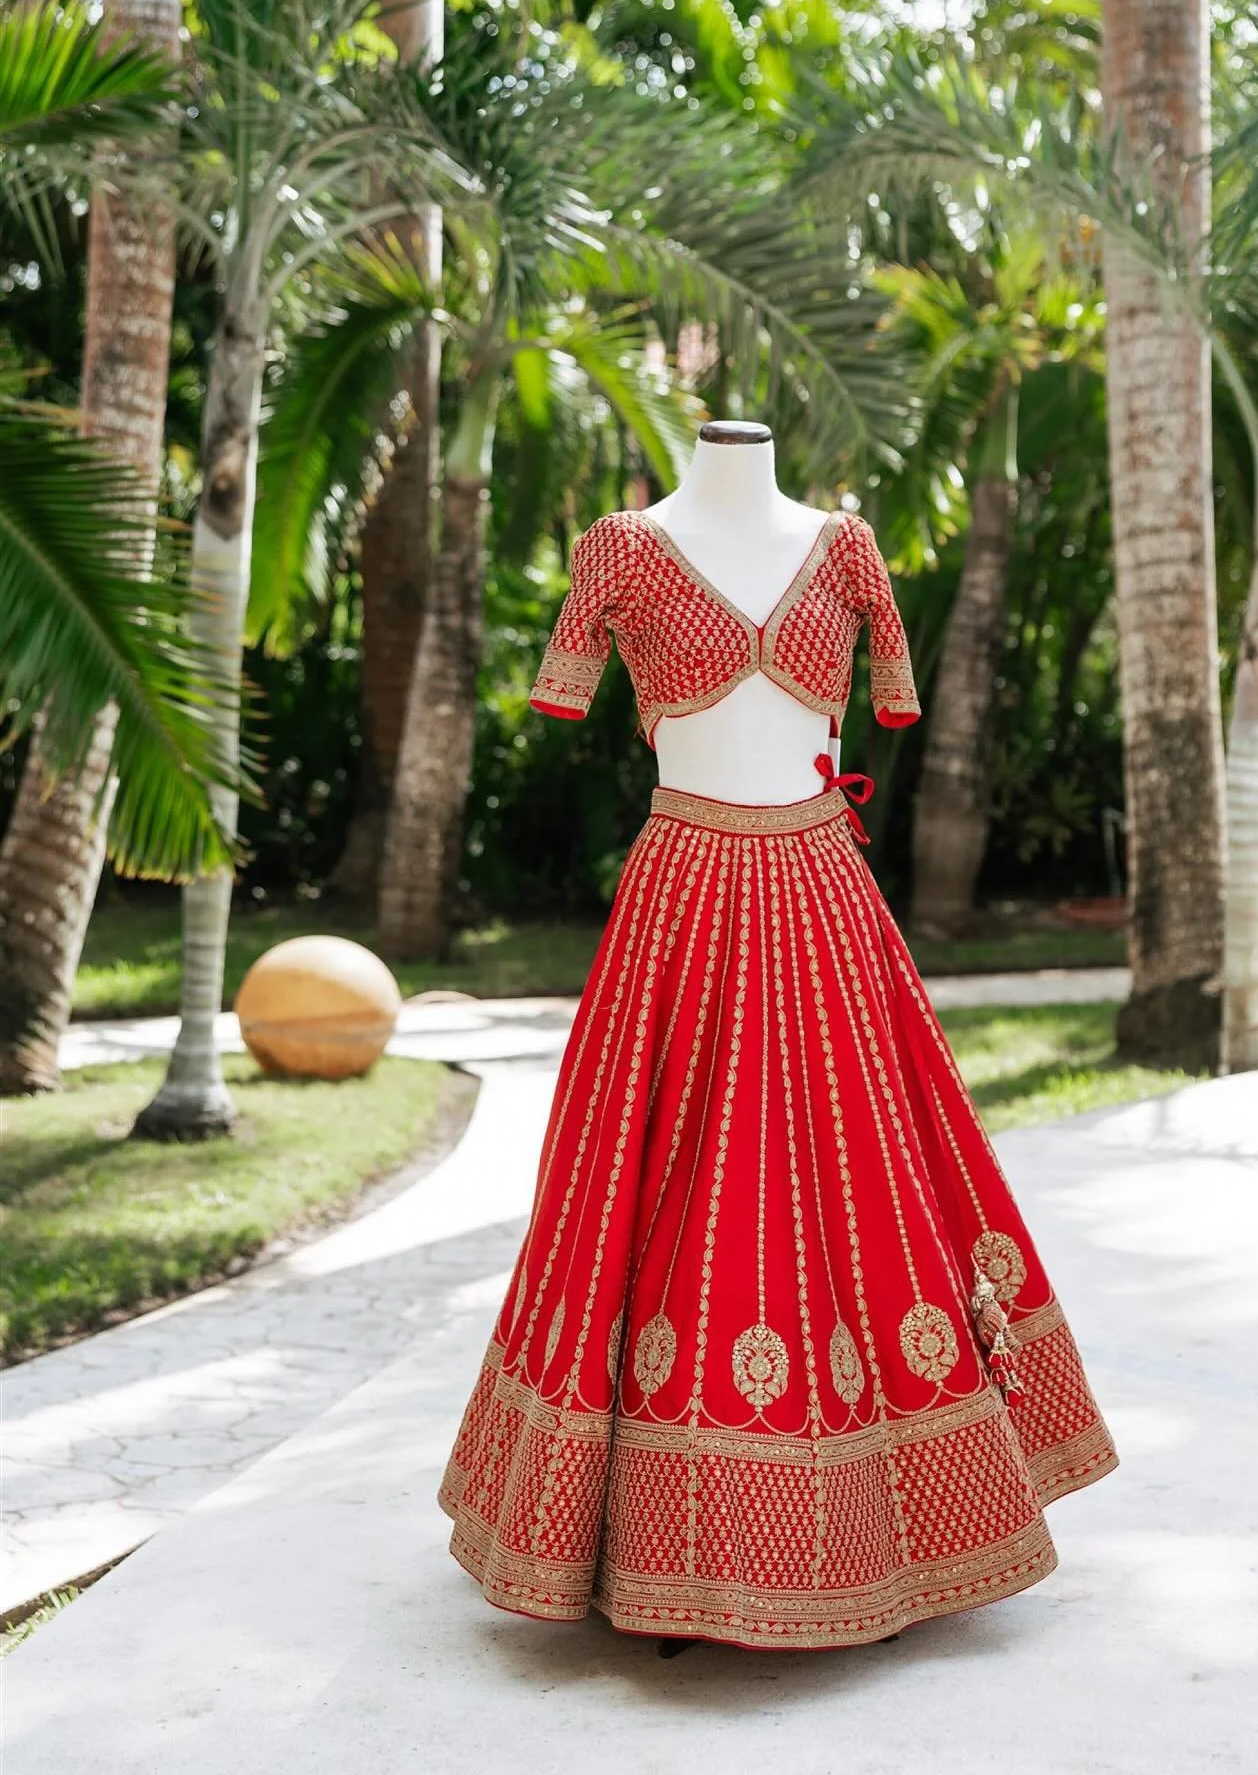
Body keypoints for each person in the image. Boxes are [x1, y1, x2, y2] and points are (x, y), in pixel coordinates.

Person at [437, 424, 1117, 1652]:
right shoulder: (620, 549)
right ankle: (645, 1543)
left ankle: (898, 1525)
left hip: (820, 896)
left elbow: (891, 707)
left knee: (864, 1183)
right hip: (684, 897)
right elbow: (565, 691)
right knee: (667, 1189)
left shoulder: (847, 548)